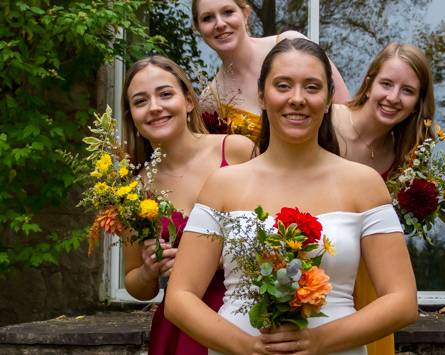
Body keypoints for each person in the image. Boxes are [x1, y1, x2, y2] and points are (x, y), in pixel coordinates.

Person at [165, 38, 418, 355]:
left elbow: (403, 301)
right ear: (262, 95)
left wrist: (320, 341)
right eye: (283, 86)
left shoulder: (364, 185)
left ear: (328, 100)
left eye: (312, 87)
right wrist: (248, 347)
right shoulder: (222, 185)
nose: (297, 99)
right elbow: (179, 297)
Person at [121, 55, 254, 355]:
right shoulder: (133, 190)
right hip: (181, 330)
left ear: (189, 101)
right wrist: (148, 270)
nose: (155, 107)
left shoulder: (237, 152)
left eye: (165, 94)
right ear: (131, 115)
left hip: (249, 314)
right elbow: (136, 284)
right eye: (140, 101)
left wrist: (207, 259)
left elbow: (279, 233)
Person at [332, 43, 435, 355]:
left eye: (407, 90)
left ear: (418, 102)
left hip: (366, 277)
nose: (393, 98)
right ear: (369, 83)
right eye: (386, 84)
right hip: (315, 259)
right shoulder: (329, 123)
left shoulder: (405, 153)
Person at [192, 0, 351, 142]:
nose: (219, 24)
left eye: (228, 12)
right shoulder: (211, 100)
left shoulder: (291, 44)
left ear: (246, 14)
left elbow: (347, 115)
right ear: (198, 28)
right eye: (207, 18)